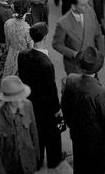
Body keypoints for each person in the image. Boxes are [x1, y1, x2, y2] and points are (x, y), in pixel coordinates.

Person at [61, 47, 105, 174]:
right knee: (96, 167)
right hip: (96, 140)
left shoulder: (70, 79)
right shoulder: (101, 92)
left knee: (79, 162)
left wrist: (71, 124)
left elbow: (65, 105)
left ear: (80, 66)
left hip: (77, 133)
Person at [17, 22, 64, 170]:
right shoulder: (46, 64)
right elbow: (51, 90)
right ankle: (54, 159)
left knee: (35, 133)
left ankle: (37, 160)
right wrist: (57, 108)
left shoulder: (23, 55)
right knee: (51, 134)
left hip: (30, 101)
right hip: (45, 106)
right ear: (45, 37)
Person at [0, 75, 40, 174]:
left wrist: (36, 157)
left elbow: (33, 132)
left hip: (28, 164)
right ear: (11, 100)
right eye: (20, 97)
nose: (24, 99)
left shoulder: (28, 106)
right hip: (10, 168)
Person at [52, 0, 105, 74]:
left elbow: (98, 34)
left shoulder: (90, 11)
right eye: (83, 5)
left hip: (91, 61)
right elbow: (56, 44)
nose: (87, 6)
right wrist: (73, 53)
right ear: (73, 6)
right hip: (74, 66)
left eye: (87, 2)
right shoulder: (63, 23)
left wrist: (101, 56)